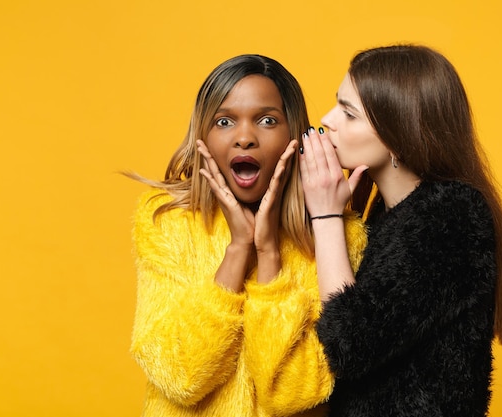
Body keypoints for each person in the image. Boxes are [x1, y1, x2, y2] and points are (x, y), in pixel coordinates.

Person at [126, 54, 367, 417]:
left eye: (267, 120)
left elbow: (294, 392)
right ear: (202, 135)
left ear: (295, 134)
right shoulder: (168, 221)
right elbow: (179, 375)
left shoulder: (336, 236)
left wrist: (269, 255)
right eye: (224, 121)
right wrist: (238, 250)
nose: (244, 138)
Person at [299, 44, 502, 416]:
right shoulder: (390, 215)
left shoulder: (451, 217)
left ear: (399, 134)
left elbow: (349, 343)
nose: (327, 119)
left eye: (349, 114)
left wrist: (325, 216)